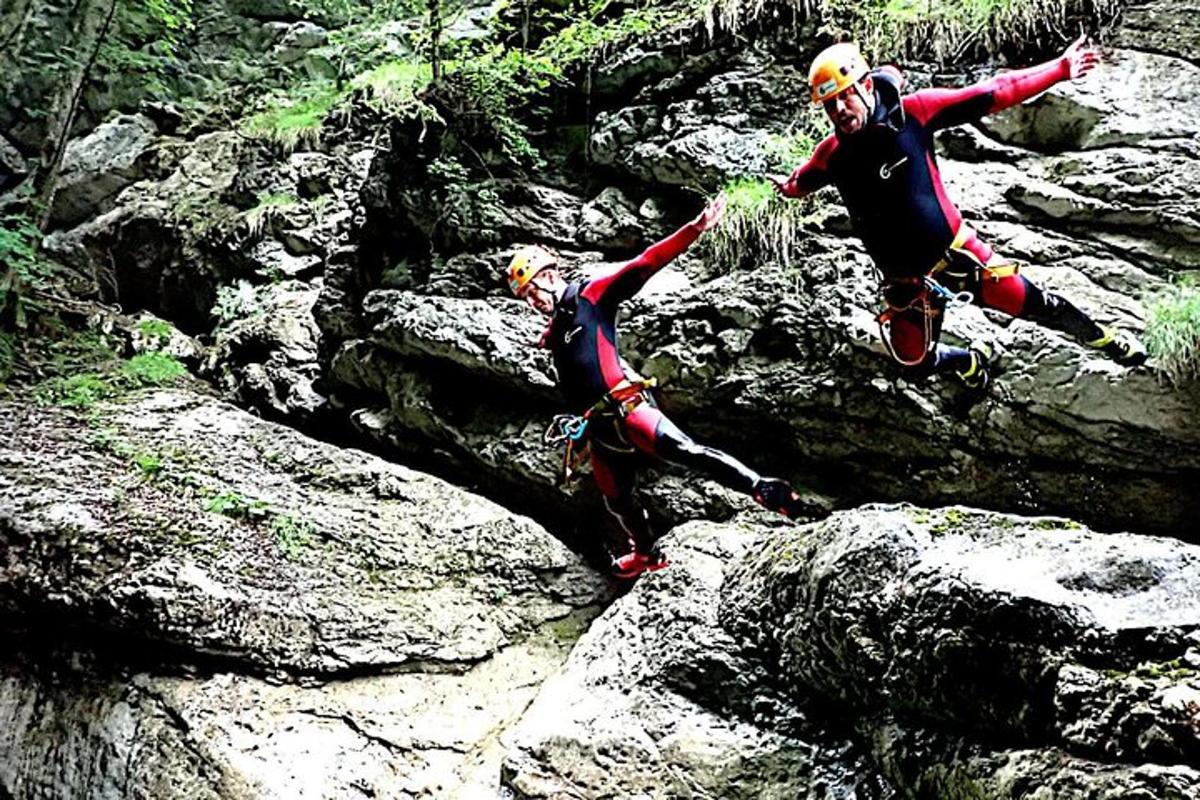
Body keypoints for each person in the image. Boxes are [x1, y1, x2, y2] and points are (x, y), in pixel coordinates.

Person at [768, 37, 1147, 390]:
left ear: (866, 86)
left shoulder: (915, 113)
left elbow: (996, 91)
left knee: (1040, 306)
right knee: (912, 363)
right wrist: (786, 189)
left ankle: (1109, 342)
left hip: (960, 260)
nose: (838, 111)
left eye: (843, 98)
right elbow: (803, 180)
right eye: (829, 105)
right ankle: (967, 362)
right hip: (906, 287)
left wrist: (1060, 69)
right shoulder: (833, 154)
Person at [507, 195, 812, 579]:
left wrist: (694, 230)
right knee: (615, 497)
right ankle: (646, 554)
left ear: (550, 276)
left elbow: (645, 263)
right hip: (598, 427)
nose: (532, 302)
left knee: (686, 450)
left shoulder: (591, 294)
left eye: (533, 292)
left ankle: (764, 488)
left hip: (628, 408)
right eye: (526, 298)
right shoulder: (557, 326)